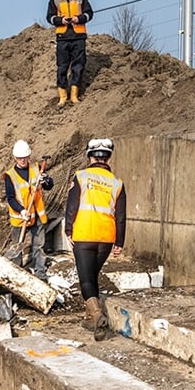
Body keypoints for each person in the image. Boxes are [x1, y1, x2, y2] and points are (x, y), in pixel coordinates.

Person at [65, 137, 125, 339]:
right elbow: (121, 215)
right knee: (93, 275)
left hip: (84, 234)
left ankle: (97, 315)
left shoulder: (81, 176)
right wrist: (119, 242)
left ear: (90, 157)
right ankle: (90, 318)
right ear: (108, 158)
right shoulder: (117, 183)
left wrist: (68, 229)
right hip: (106, 238)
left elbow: (72, 205)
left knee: (86, 279)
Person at [3, 139, 55, 279]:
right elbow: (10, 198)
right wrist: (21, 210)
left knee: (38, 246)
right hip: (21, 218)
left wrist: (46, 181)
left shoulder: (36, 169)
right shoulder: (10, 176)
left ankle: (41, 274)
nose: (22, 160)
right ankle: (17, 276)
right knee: (17, 246)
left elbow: (49, 186)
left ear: (29, 156)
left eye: (25, 157)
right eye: (19, 158)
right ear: (14, 158)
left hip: (36, 215)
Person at [47, 0, 93, 107]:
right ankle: (62, 96)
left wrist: (78, 19)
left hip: (78, 35)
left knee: (78, 66)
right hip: (62, 37)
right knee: (62, 67)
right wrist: (61, 21)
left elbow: (89, 13)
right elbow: (50, 17)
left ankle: (74, 95)